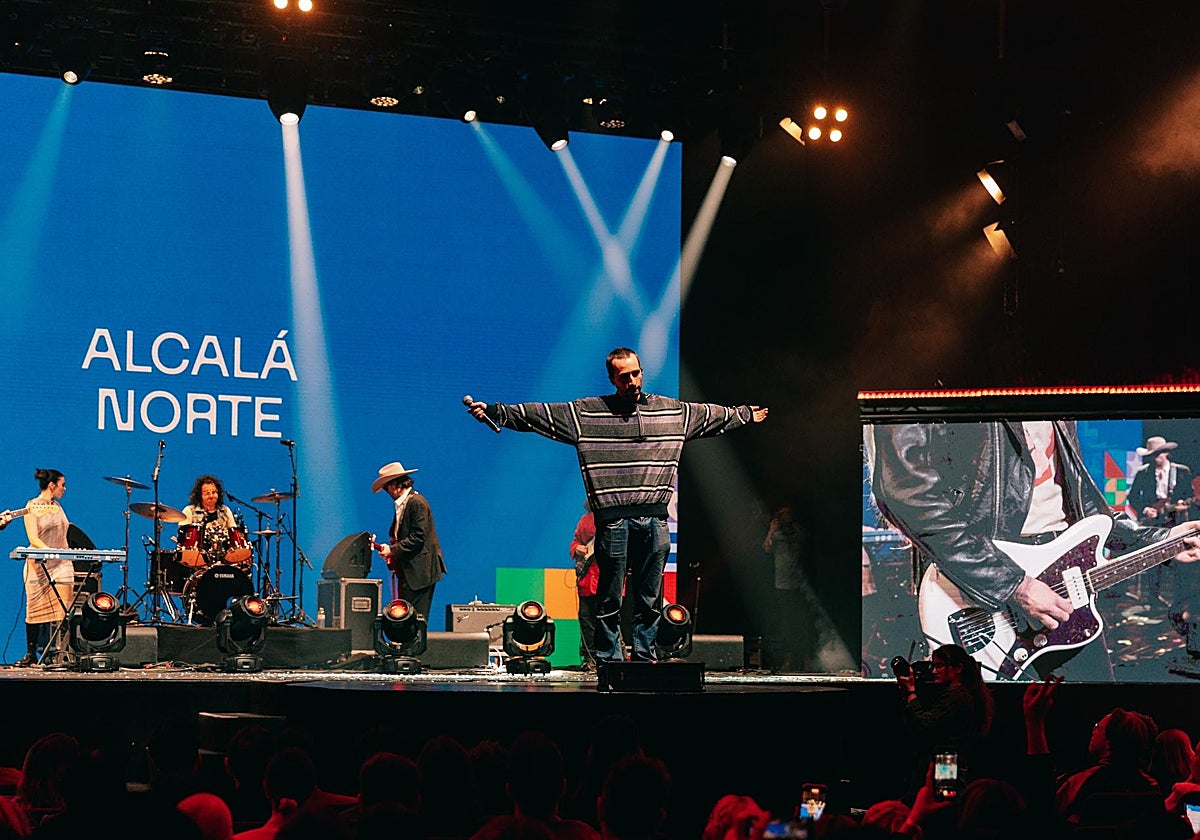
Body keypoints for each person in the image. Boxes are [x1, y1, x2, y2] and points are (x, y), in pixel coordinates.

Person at [466, 347, 768, 663]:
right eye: (624, 376)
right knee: (609, 597)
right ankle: (609, 659)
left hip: (655, 520)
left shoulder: (671, 412)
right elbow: (539, 415)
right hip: (614, 521)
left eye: (636, 373)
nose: (632, 381)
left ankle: (644, 654)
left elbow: (710, 416)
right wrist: (496, 411)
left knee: (650, 597)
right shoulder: (587, 413)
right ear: (612, 378)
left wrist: (744, 413)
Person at [868, 421, 1200, 681]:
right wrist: (1015, 585)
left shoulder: (1052, 388)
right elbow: (907, 492)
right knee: (988, 737)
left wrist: (1161, 538)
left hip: (1065, 580)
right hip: (980, 583)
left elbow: (1088, 508)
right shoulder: (952, 371)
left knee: (1097, 723)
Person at [371, 462, 446, 619]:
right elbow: (402, 537)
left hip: (420, 573)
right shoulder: (405, 504)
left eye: (386, 488)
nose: (387, 492)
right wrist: (391, 550)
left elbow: (418, 538)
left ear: (394, 485)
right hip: (410, 571)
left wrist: (392, 550)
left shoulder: (416, 503)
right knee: (407, 619)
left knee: (416, 620)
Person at [18, 469, 75, 667]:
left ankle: (65, 653)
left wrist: (61, 553)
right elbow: (33, 538)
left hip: (62, 563)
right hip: (39, 564)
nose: (65, 489)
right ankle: (31, 653)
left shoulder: (57, 506)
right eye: (62, 485)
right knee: (33, 610)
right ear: (52, 485)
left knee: (64, 608)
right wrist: (50, 551)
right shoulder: (31, 506)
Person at [1126, 435, 1193, 604]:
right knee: (1153, 560)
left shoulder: (1182, 471)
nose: (1157, 458)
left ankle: (1181, 600)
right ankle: (1153, 599)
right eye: (1153, 455)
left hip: (1176, 521)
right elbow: (1133, 496)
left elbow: (1190, 497)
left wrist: (1183, 506)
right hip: (1154, 523)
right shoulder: (1144, 472)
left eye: (1159, 454)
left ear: (1167, 453)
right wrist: (1144, 509)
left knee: (1181, 561)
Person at [178, 474, 243, 567]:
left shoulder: (225, 511)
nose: (211, 496)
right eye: (207, 493)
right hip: (197, 557)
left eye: (214, 492)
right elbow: (183, 535)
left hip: (223, 556)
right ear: (199, 495)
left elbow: (233, 534)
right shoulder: (189, 511)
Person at [569, 501, 602, 669]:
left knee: (605, 620)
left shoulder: (611, 519)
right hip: (586, 580)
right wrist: (577, 549)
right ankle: (590, 658)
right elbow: (575, 541)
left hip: (604, 580)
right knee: (586, 620)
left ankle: (607, 657)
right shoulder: (585, 519)